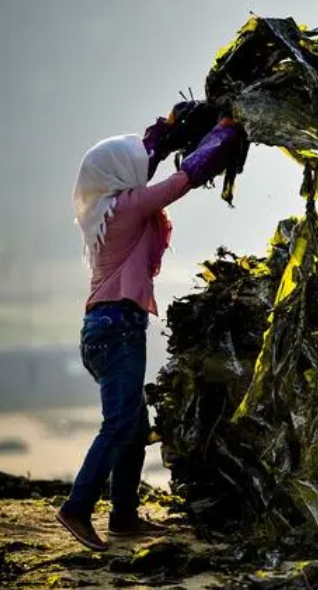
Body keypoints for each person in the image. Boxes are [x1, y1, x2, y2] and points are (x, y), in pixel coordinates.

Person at [55, 111, 242, 551]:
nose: (140, 165)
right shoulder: (126, 208)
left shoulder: (107, 207)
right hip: (116, 329)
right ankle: (76, 508)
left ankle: (123, 518)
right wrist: (225, 131)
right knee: (120, 425)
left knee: (134, 427)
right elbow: (183, 179)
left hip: (109, 329)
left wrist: (172, 127)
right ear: (119, 175)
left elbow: (152, 155)